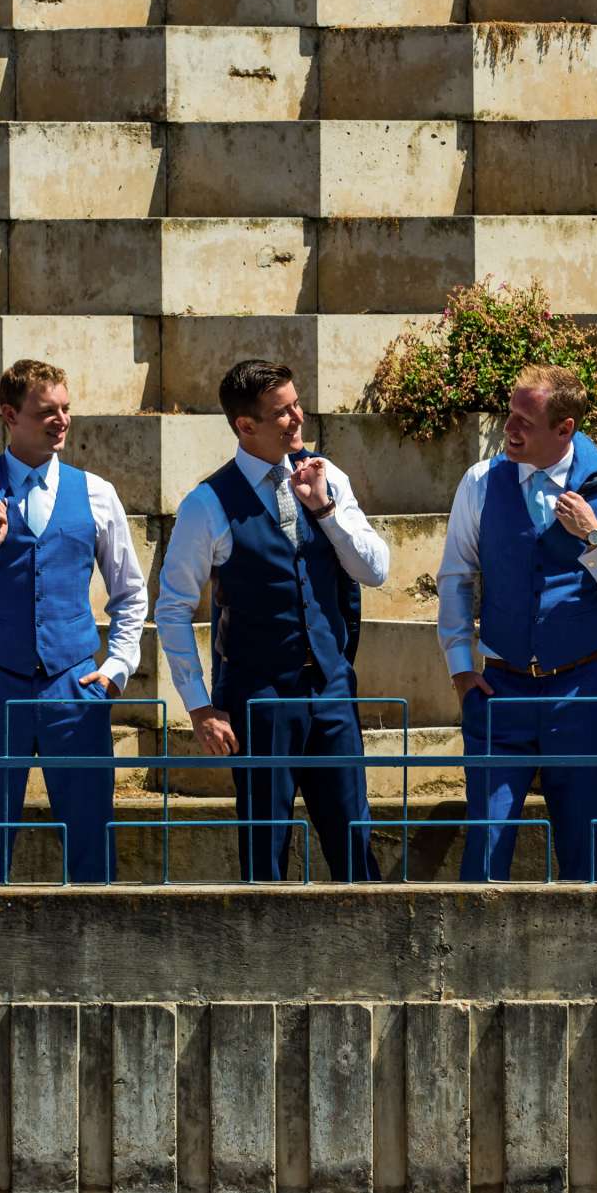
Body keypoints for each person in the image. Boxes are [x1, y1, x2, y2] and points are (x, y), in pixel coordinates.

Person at [0, 359, 149, 883]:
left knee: (91, 838)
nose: (60, 421)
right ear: (9, 415)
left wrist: (117, 668)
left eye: (65, 409)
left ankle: (95, 952)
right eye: (46, 412)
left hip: (74, 684)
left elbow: (129, 593)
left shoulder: (97, 493)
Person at [156, 358, 390, 882]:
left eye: (296, 404)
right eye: (282, 413)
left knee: (356, 841)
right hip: (258, 699)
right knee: (265, 850)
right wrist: (198, 706)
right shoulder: (206, 504)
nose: (298, 418)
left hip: (330, 689)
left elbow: (375, 571)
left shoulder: (328, 477)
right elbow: (172, 608)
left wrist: (326, 511)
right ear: (246, 426)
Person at [440, 364, 597, 882]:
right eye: (509, 414)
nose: (510, 428)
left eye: (525, 419)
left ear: (564, 429)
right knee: (485, 849)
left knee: (582, 848)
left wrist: (595, 539)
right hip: (500, 690)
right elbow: (456, 577)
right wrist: (460, 665)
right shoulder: (481, 483)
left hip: (582, 692)